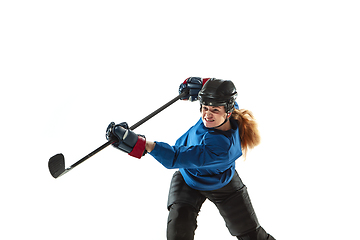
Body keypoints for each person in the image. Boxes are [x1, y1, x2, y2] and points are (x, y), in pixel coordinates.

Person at [106, 77, 275, 240]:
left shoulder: (221, 148)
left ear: (228, 112)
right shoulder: (225, 110)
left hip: (223, 185)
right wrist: (203, 85)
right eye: (205, 107)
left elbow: (176, 156)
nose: (208, 114)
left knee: (252, 236)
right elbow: (221, 92)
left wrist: (142, 145)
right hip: (189, 177)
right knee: (178, 234)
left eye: (215, 110)